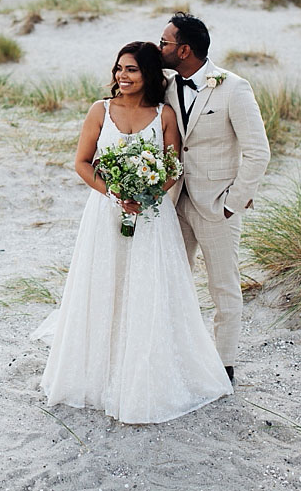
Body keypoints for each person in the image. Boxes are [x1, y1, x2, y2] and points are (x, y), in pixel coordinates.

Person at [32, 41, 232, 424]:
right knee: (104, 285)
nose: (122, 76)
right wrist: (116, 193)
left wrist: (148, 193)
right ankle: (98, 369)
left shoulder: (164, 115)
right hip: (104, 215)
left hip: (152, 217)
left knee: (146, 289)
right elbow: (81, 162)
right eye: (119, 69)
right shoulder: (99, 110)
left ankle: (143, 371)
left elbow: (173, 168)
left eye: (132, 70)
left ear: (150, 75)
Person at [158, 12, 271, 383]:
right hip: (175, 202)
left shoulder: (234, 88)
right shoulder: (168, 86)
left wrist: (233, 202)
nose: (161, 48)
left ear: (185, 49)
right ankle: (180, 354)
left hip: (216, 206)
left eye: (166, 43)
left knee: (223, 285)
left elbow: (258, 152)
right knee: (175, 279)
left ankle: (224, 366)